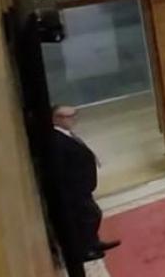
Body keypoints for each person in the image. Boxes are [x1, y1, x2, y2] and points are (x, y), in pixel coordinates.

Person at [47, 105, 119, 261]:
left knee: (88, 215)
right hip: (74, 189)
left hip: (83, 186)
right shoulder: (57, 140)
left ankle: (93, 242)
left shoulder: (66, 134)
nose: (74, 119)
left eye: (74, 115)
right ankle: (84, 250)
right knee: (91, 215)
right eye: (70, 116)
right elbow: (60, 168)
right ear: (56, 119)